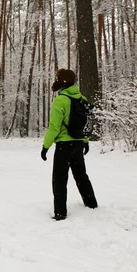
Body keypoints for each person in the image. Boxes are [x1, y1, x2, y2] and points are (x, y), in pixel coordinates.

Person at [41, 68, 98, 220]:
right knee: (81, 176)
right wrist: (85, 141)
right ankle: (91, 204)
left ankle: (60, 213)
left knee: (59, 178)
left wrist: (45, 146)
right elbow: (85, 123)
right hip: (78, 144)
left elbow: (54, 127)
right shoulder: (81, 98)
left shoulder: (61, 100)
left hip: (64, 146)